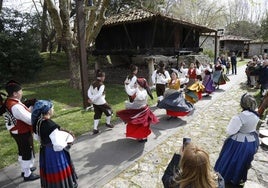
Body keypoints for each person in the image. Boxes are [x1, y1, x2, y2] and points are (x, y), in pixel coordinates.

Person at [214, 93, 260, 187]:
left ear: (242, 104)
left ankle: (229, 177)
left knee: (230, 160)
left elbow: (230, 131)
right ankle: (240, 177)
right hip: (251, 142)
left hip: (239, 144)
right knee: (244, 161)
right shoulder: (256, 114)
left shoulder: (239, 117)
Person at [31, 100, 78, 188]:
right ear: (48, 111)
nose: (53, 109)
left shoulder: (38, 122)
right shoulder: (50, 125)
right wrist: (69, 143)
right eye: (52, 108)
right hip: (54, 154)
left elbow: (37, 137)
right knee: (58, 171)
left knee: (49, 171)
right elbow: (59, 146)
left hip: (45, 151)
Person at [4, 80, 39, 181]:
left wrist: (28, 107)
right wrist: (35, 110)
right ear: (15, 94)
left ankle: (25, 169)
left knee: (22, 151)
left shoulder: (9, 102)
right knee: (26, 151)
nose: (22, 92)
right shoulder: (16, 106)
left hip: (16, 131)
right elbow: (29, 120)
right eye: (20, 91)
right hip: (22, 132)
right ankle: (27, 174)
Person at [116, 78, 159, 142]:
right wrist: (126, 85)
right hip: (136, 109)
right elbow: (130, 92)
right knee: (134, 124)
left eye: (137, 83)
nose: (136, 84)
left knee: (143, 125)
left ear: (140, 84)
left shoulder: (144, 91)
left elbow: (140, 97)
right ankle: (139, 135)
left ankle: (144, 137)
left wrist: (136, 89)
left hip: (143, 110)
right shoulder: (137, 89)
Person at [87, 70, 114, 135]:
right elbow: (99, 94)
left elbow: (88, 92)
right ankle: (108, 123)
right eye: (104, 77)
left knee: (97, 114)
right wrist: (92, 99)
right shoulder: (102, 85)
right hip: (101, 102)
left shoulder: (92, 83)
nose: (104, 78)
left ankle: (95, 129)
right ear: (101, 77)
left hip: (95, 103)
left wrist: (91, 99)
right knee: (110, 110)